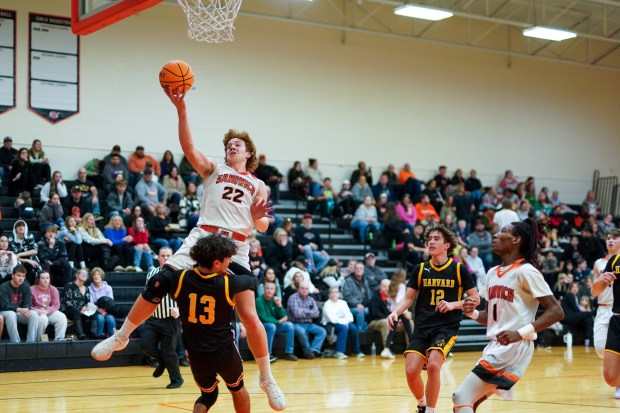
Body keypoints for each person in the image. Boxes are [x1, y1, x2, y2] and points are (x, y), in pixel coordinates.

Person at [91, 87, 284, 410]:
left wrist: (256, 218)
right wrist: (181, 109)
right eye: (227, 145)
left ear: (248, 152)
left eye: (236, 144)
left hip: (235, 245)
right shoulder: (214, 170)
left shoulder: (258, 184)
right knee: (158, 282)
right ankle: (122, 336)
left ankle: (266, 377)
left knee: (249, 314)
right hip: (202, 238)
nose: (230, 147)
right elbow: (188, 146)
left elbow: (263, 227)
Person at [93, 235, 285, 411]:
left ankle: (122, 335)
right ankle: (266, 378)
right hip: (223, 350)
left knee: (208, 395)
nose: (229, 262)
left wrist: (200, 253)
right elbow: (252, 279)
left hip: (195, 352)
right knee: (237, 389)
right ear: (217, 263)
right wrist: (233, 265)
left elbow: (165, 279)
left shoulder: (180, 279)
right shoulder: (228, 284)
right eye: (227, 259)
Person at [452, 218, 564, 413]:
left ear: (516, 240)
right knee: (470, 402)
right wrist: (472, 313)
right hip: (496, 344)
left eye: (502, 231)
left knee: (461, 398)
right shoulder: (492, 272)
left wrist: (520, 333)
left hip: (513, 347)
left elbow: (556, 311)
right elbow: (492, 317)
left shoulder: (526, 272)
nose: (495, 234)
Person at [387, 224, 479, 413]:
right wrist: (395, 312)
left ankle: (430, 410)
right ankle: (422, 404)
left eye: (436, 239)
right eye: (429, 239)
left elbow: (475, 298)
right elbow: (408, 298)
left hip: (446, 326)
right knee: (411, 371)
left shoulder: (459, 269)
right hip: (422, 326)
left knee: (434, 365)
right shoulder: (420, 270)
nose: (431, 242)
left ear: (447, 245)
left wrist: (454, 304)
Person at [140, 246, 184, 388]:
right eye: (163, 256)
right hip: (153, 318)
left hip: (171, 319)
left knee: (169, 351)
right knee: (145, 345)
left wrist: (179, 309)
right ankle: (162, 361)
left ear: (173, 257)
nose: (165, 258)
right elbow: (147, 295)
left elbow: (186, 297)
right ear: (158, 257)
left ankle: (177, 380)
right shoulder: (151, 274)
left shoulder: (179, 275)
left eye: (168, 256)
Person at [592, 229, 620, 398]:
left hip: (613, 309)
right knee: (601, 348)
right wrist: (600, 281)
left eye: (614, 238)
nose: (610, 240)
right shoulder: (609, 262)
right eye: (608, 238)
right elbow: (595, 291)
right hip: (610, 311)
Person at [256, 280, 297, 362]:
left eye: (271, 289)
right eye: (267, 288)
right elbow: (264, 318)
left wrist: (279, 305)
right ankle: (267, 354)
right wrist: (278, 322)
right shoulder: (258, 301)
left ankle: (289, 352)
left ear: (274, 291)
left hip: (274, 325)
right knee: (272, 326)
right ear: (264, 289)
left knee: (290, 325)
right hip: (262, 325)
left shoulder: (275, 300)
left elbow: (283, 316)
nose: (269, 290)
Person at [0, 266, 43, 342]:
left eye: (23, 276)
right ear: (13, 275)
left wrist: (26, 310)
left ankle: (31, 341)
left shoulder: (25, 286)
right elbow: (4, 305)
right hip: (5, 312)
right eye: (18, 275)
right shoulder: (3, 287)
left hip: (19, 312)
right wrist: (18, 309)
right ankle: (15, 342)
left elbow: (28, 302)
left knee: (33, 314)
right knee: (11, 314)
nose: (21, 278)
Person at [286, 281, 327, 360]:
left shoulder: (311, 299)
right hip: (295, 323)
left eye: (306, 289)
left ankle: (314, 350)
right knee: (301, 332)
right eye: (302, 288)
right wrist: (309, 312)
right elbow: (296, 314)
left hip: (309, 324)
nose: (305, 290)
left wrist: (303, 310)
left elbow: (317, 314)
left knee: (322, 331)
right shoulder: (293, 298)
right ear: (298, 289)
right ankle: (307, 350)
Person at [321, 287, 364, 359]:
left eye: (336, 292)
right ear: (329, 295)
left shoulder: (343, 303)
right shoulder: (327, 304)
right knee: (343, 328)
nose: (334, 294)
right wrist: (344, 323)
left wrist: (345, 322)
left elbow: (350, 316)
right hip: (330, 324)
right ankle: (339, 351)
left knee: (354, 328)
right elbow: (332, 319)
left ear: (339, 294)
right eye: (332, 292)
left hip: (345, 322)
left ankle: (356, 351)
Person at [30, 271, 67, 340]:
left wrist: (47, 311)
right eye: (43, 278)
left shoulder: (53, 289)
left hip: (48, 311)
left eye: (47, 278)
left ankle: (59, 340)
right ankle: (38, 341)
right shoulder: (31, 289)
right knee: (43, 318)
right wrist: (37, 310)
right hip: (36, 312)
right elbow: (28, 305)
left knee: (62, 317)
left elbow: (56, 305)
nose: (45, 280)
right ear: (38, 279)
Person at [61, 268, 97, 340]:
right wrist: (80, 309)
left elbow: (87, 302)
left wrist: (86, 308)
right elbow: (68, 302)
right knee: (76, 311)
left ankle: (93, 333)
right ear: (77, 275)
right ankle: (80, 333)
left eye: (86, 274)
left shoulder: (87, 288)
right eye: (82, 273)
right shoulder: (68, 286)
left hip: (81, 311)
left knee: (93, 312)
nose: (84, 275)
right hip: (69, 311)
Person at [8, 220, 40, 285]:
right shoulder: (11, 239)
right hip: (18, 260)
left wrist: (20, 254)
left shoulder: (29, 236)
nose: (21, 227)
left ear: (26, 228)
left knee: (38, 271)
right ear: (15, 229)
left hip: (31, 258)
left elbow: (35, 251)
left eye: (23, 226)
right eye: (19, 226)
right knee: (18, 268)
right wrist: (27, 260)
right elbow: (13, 257)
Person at [342, 262, 371, 331]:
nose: (359, 270)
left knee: (373, 310)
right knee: (360, 312)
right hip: (352, 306)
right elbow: (347, 296)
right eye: (357, 268)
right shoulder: (349, 280)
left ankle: (367, 327)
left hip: (365, 306)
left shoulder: (365, 281)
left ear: (364, 270)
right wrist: (357, 304)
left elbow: (369, 295)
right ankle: (361, 331)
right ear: (354, 270)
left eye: (361, 268)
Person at [89, 267, 116, 339]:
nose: (96, 276)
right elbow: (91, 303)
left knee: (110, 319)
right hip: (96, 311)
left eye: (98, 274)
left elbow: (111, 302)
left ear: (101, 276)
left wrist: (105, 310)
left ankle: (113, 337)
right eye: (94, 274)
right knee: (100, 318)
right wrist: (98, 310)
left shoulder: (108, 288)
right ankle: (99, 335)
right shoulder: (89, 288)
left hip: (108, 310)